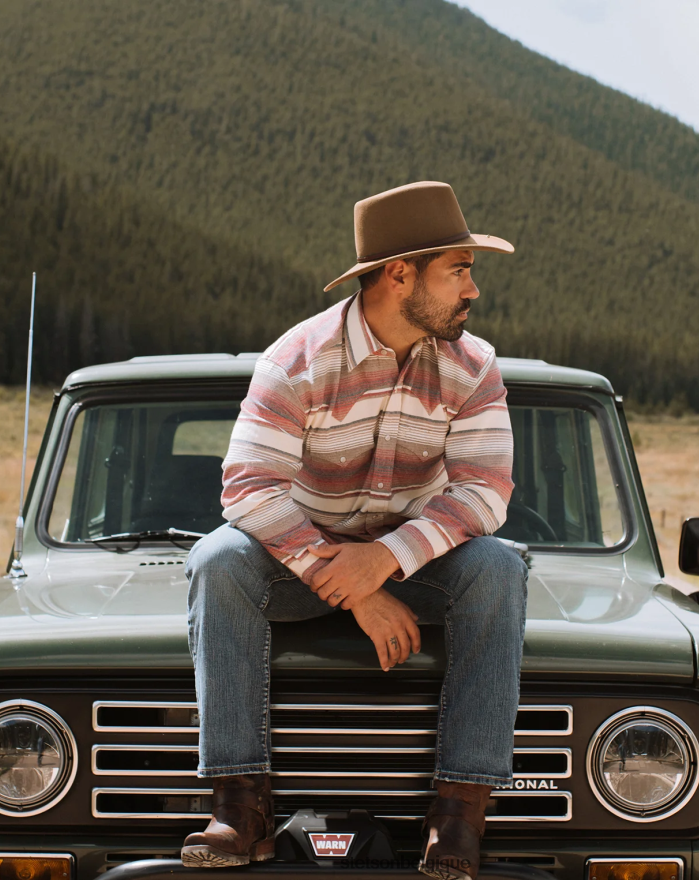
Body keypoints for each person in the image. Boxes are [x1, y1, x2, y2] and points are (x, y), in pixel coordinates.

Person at [182, 181, 529, 880]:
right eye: (459, 270)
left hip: (419, 566)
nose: (473, 290)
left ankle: (459, 813)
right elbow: (248, 487)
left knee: (499, 565)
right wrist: (356, 586)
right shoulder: (297, 361)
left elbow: (484, 492)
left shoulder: (474, 367)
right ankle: (240, 807)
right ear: (400, 274)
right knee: (218, 560)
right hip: (299, 563)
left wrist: (385, 560)